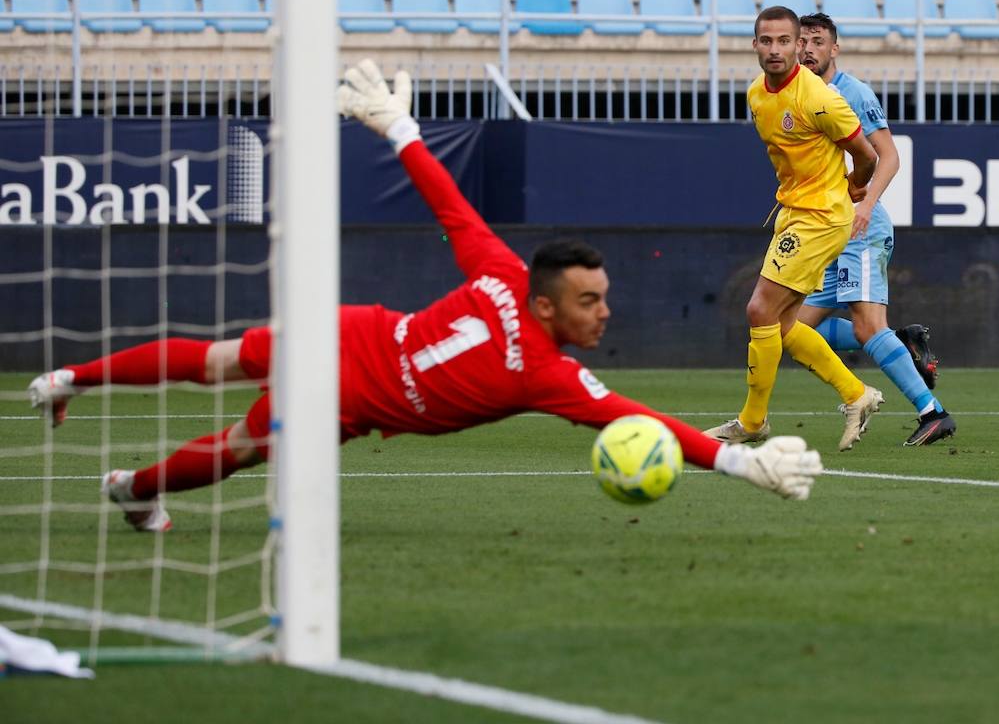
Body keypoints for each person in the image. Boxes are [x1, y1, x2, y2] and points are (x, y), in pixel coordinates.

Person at [28, 61, 823, 532]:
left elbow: (450, 204)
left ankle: (70, 381)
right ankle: (132, 488)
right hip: (346, 391)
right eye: (590, 302)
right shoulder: (547, 374)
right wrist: (741, 466)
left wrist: (398, 127)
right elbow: (637, 419)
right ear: (548, 307)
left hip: (349, 335)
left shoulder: (501, 273)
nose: (603, 313)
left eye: (604, 298)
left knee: (214, 362)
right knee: (236, 443)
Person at [705, 6, 884, 452]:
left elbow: (867, 155)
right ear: (755, 46)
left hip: (822, 217)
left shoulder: (819, 97)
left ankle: (752, 422)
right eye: (766, 41)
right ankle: (857, 394)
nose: (776, 49)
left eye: (785, 41)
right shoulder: (756, 95)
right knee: (783, 324)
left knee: (758, 310)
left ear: (798, 45)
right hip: (793, 212)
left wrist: (855, 187)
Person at [793, 13, 956, 448]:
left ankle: (932, 412)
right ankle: (900, 342)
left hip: (859, 230)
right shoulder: (796, 94)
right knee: (791, 328)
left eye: (817, 41)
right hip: (824, 232)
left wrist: (865, 204)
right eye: (802, 41)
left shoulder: (852, 92)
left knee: (866, 327)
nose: (808, 48)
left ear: (834, 49)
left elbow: (889, 155)